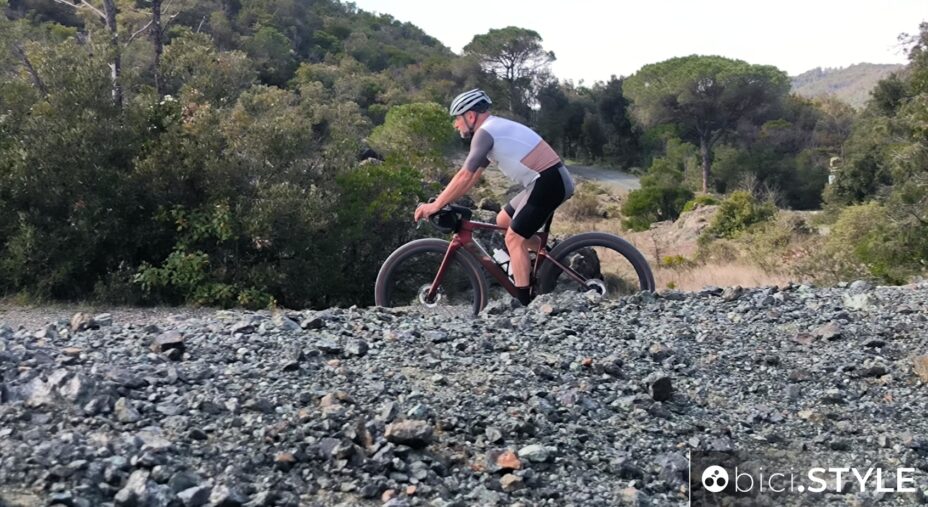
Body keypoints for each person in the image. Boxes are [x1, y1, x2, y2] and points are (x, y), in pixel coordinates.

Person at [413, 89, 575, 305]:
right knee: (503, 221)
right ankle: (552, 262)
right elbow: (471, 179)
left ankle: (524, 303)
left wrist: (435, 206)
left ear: (470, 116)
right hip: (546, 180)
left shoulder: (485, 133)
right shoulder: (493, 131)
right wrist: (445, 201)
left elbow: (464, 175)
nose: (456, 125)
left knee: (513, 238)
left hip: (549, 181)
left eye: (457, 119)